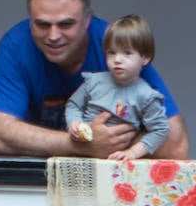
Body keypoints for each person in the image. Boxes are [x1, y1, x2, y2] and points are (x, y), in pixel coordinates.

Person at [0, 0, 190, 159]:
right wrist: (80, 144)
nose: (53, 36)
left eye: (66, 24)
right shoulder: (15, 45)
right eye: (42, 24)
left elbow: (175, 144)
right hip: (39, 180)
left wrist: (116, 145)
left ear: (87, 19)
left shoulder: (116, 46)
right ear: (30, 20)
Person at [65, 15, 168, 161]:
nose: (117, 60)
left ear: (145, 58)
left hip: (118, 162)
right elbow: (73, 104)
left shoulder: (146, 95)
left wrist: (132, 152)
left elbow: (160, 129)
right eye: (111, 52)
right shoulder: (93, 81)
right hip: (82, 156)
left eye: (127, 53)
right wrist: (74, 123)